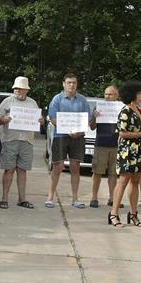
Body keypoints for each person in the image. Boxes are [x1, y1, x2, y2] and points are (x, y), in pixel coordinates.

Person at [108, 81, 141, 227]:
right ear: (132, 94)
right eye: (140, 93)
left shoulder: (139, 110)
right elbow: (122, 132)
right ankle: (113, 214)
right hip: (128, 151)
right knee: (123, 181)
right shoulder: (125, 111)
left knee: (136, 181)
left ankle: (133, 214)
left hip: (140, 150)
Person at [46, 73, 92, 209]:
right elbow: (52, 118)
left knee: (75, 167)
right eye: (69, 82)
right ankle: (50, 197)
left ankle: (75, 199)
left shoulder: (82, 100)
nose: (72, 85)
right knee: (57, 167)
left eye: (74, 83)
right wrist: (67, 130)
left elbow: (87, 119)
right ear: (64, 84)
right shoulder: (57, 99)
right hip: (60, 137)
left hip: (78, 137)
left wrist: (79, 131)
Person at [0, 76, 41, 209]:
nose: (18, 91)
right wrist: (3, 119)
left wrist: (40, 121)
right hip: (10, 140)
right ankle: (4, 199)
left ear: (26, 90)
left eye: (20, 89)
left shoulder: (32, 103)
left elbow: (38, 119)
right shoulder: (7, 102)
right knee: (9, 169)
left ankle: (22, 199)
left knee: (22, 170)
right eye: (16, 89)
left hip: (27, 141)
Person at [89, 86, 120, 209]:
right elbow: (92, 127)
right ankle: (94, 198)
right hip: (101, 144)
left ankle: (112, 198)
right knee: (97, 172)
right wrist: (94, 117)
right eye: (106, 94)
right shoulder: (99, 107)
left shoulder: (121, 108)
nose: (107, 96)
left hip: (116, 145)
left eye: (110, 94)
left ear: (116, 96)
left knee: (113, 173)